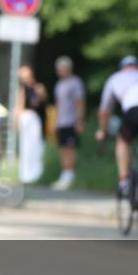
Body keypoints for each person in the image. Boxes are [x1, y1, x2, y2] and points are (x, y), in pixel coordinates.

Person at [96, 56, 138, 218]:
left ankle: (124, 180)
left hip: (134, 111)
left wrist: (103, 131)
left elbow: (105, 110)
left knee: (123, 141)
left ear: (122, 68)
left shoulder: (115, 78)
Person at [52, 56, 86, 190]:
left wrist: (79, 121)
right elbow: (58, 105)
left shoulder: (75, 83)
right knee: (63, 148)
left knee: (71, 148)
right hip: (61, 122)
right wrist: (55, 121)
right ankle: (65, 174)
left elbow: (80, 102)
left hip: (72, 121)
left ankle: (70, 175)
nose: (60, 71)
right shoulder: (59, 85)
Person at [15, 64, 47, 184]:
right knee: (26, 147)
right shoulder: (22, 90)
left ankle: (36, 174)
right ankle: (26, 175)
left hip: (37, 120)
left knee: (37, 147)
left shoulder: (39, 87)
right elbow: (19, 106)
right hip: (27, 120)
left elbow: (44, 103)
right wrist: (17, 121)